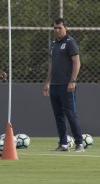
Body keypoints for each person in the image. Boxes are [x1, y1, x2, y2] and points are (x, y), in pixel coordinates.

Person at [43, 18, 84, 152]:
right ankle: (63, 144)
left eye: (59, 28)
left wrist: (72, 81)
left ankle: (79, 144)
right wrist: (47, 83)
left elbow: (77, 62)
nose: (57, 30)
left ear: (65, 28)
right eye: (55, 28)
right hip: (54, 85)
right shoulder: (54, 44)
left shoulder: (70, 42)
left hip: (66, 85)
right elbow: (52, 65)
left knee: (70, 114)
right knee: (58, 115)